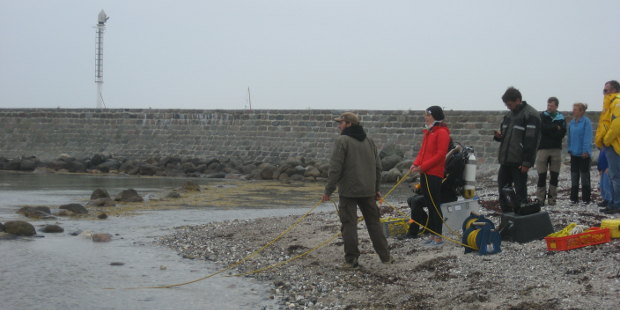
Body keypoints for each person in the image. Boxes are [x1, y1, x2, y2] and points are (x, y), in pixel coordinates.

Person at [322, 112, 393, 268]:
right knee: (374, 224)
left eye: (341, 123)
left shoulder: (342, 140)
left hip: (349, 191)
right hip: (368, 190)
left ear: (349, 124)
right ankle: (386, 257)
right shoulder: (369, 141)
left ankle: (351, 259)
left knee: (349, 225)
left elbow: (335, 168)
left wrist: (328, 191)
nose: (339, 126)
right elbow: (378, 168)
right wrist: (376, 189)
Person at [493, 87, 541, 211]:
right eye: (506, 104)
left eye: (509, 104)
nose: (508, 107)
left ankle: (521, 218)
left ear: (518, 100)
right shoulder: (509, 115)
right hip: (505, 160)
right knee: (503, 190)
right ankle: (506, 217)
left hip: (519, 162)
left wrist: (527, 162)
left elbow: (531, 141)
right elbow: (505, 136)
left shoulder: (531, 115)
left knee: (520, 192)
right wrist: (499, 136)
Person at [409, 106, 451, 246]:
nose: (425, 117)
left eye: (427, 115)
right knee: (429, 203)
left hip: (434, 173)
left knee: (434, 204)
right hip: (425, 173)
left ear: (434, 117)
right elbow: (423, 152)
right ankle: (433, 235)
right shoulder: (429, 132)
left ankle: (438, 236)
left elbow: (440, 155)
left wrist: (423, 167)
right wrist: (415, 164)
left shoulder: (442, 133)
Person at [535, 97, 566, 205]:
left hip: (556, 149)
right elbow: (542, 128)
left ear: (556, 106)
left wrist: (550, 129)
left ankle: (552, 198)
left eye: (551, 106)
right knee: (541, 174)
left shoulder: (561, 118)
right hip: (543, 148)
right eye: (548, 105)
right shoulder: (542, 116)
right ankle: (540, 198)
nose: (549, 107)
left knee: (554, 175)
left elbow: (561, 134)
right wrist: (554, 128)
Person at [597, 80, 620, 214]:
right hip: (610, 144)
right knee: (612, 175)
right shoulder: (610, 103)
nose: (604, 93)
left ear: (613, 90)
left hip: (614, 144)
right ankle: (612, 202)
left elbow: (616, 125)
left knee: (615, 176)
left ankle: (616, 203)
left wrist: (606, 139)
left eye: (606, 90)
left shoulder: (617, 102)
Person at [567, 103, 593, 204]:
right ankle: (574, 198)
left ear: (581, 111)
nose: (573, 111)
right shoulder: (572, 123)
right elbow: (569, 137)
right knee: (574, 175)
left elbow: (587, 137)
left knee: (584, 176)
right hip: (574, 153)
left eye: (576, 109)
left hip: (583, 154)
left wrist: (586, 151)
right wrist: (569, 149)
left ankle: (586, 198)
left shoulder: (586, 122)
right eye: (573, 109)